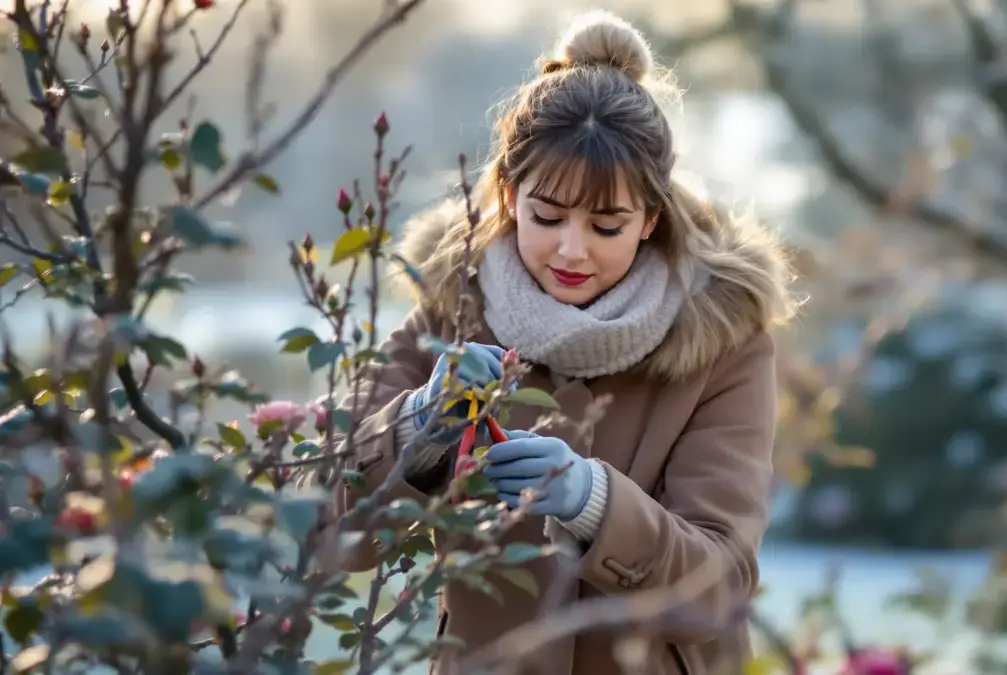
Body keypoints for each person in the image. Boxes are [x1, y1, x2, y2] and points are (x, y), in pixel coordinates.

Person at [330, 9, 798, 675]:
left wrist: (594, 502)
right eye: (547, 216)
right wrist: (420, 428)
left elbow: (720, 587)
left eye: (607, 225)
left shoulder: (721, 339)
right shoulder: (453, 311)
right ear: (510, 194)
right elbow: (328, 525)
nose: (571, 251)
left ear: (650, 218)